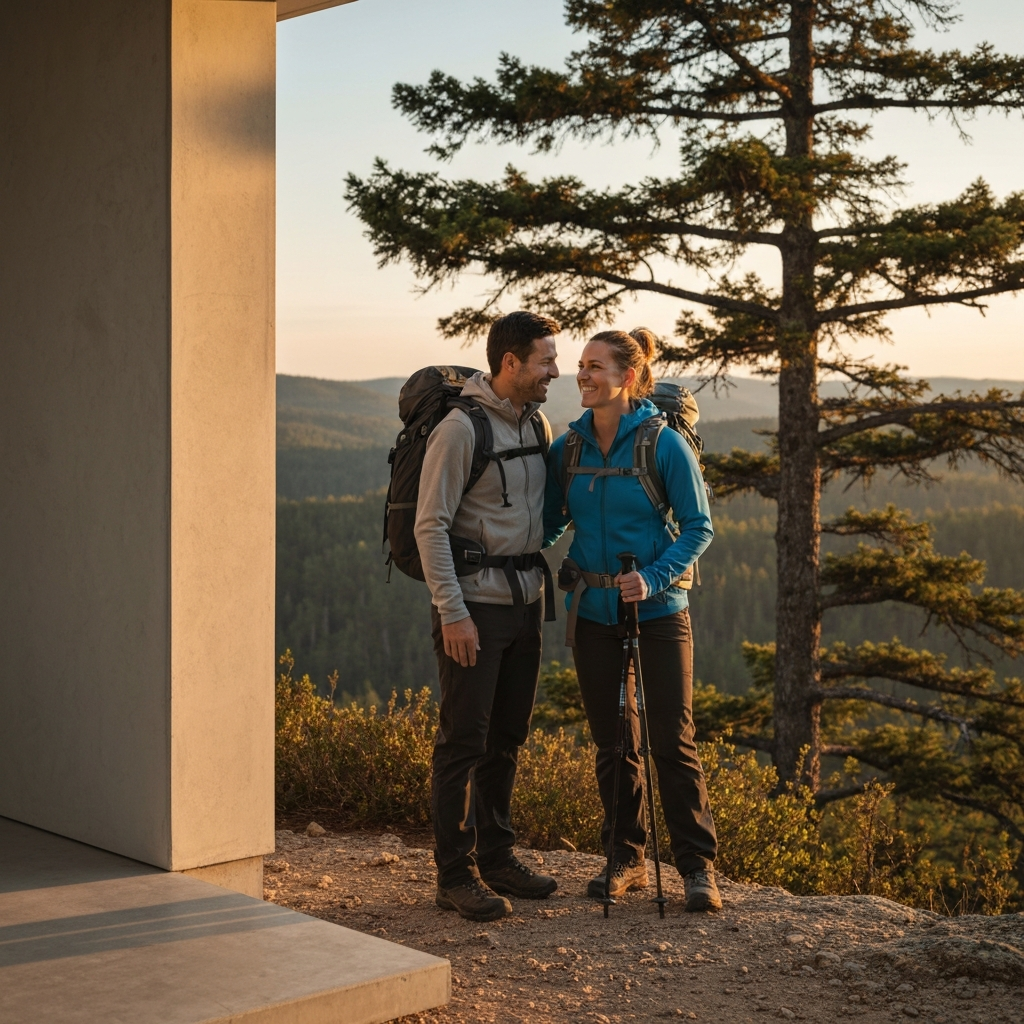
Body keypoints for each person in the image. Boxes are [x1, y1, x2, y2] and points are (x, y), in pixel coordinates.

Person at [543, 328, 722, 912]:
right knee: (613, 742)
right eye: (581, 366)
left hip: (660, 612)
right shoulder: (567, 449)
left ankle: (697, 868)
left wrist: (653, 576)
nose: (583, 375)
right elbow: (548, 523)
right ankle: (625, 858)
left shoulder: (663, 445)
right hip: (593, 613)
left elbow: (700, 527)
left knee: (671, 739)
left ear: (628, 376)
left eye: (595, 367)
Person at [415, 310, 563, 922]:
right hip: (473, 608)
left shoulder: (538, 423)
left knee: (507, 736)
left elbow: (547, 512)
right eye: (546, 361)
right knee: (463, 742)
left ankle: (498, 854)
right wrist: (452, 612)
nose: (556, 370)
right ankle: (455, 873)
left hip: (525, 604)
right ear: (511, 364)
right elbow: (431, 525)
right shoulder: (460, 428)